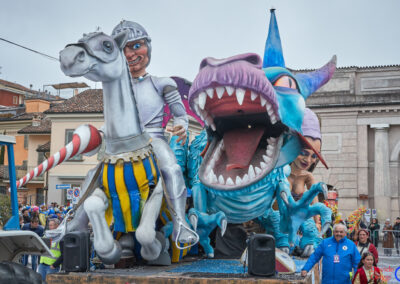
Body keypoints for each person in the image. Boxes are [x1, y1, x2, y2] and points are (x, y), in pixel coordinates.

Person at [111, 20, 196, 243]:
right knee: (94, 177)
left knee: (171, 168)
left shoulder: (161, 83)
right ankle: (72, 223)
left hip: (153, 139)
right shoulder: (113, 89)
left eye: (136, 46)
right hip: (121, 142)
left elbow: (180, 114)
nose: (130, 54)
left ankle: (181, 224)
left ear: (148, 47)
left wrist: (182, 127)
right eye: (123, 49)